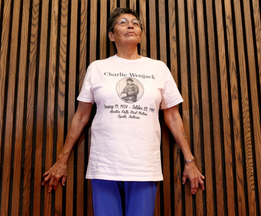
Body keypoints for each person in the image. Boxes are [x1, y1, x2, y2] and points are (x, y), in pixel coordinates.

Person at [42, 7, 205, 216]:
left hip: (144, 166)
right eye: (123, 22)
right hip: (105, 165)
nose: (131, 25)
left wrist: (190, 161)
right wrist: (61, 160)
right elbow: (81, 116)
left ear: (140, 35)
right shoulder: (97, 68)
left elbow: (173, 117)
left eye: (136, 23)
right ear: (111, 35)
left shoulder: (158, 68)